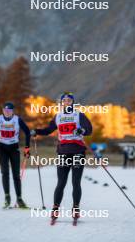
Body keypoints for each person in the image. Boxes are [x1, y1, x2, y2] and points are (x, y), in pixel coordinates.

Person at [31, 92, 92, 220]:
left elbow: (89, 129)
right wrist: (36, 131)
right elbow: (48, 130)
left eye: (69, 100)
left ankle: (76, 208)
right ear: (61, 103)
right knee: (61, 182)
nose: (66, 102)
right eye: (64, 100)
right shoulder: (58, 116)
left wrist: (82, 130)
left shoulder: (79, 115)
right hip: (63, 153)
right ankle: (55, 209)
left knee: (76, 182)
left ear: (73, 102)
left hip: (78, 152)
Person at [0, 102, 31, 208]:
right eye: (5, 110)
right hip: (2, 147)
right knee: (5, 172)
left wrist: (27, 148)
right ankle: (7, 197)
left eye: (9, 111)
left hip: (14, 148)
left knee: (16, 175)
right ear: (3, 111)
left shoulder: (17, 119)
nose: (7, 112)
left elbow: (27, 132)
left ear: (12, 111)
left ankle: (19, 199)